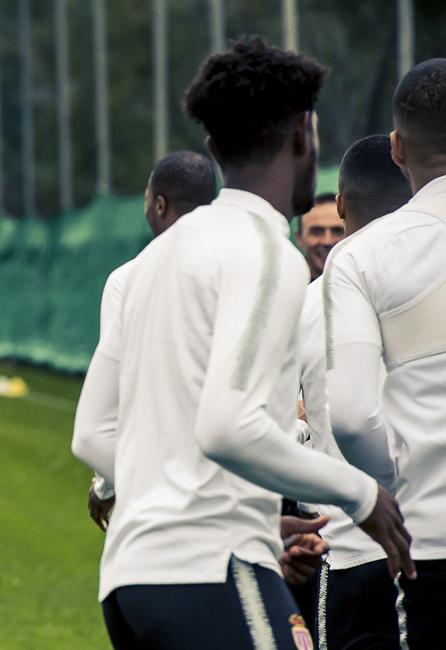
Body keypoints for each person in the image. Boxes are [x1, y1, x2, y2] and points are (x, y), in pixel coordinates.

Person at [71, 36, 413, 648]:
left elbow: (92, 434)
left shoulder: (147, 264)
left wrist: (248, 515)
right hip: (211, 572)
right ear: (304, 136)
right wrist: (363, 494)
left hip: (129, 582)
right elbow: (229, 427)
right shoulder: (266, 251)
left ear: (213, 149)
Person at [324, 59, 446, 648]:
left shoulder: (360, 256)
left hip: (431, 539)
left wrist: (394, 492)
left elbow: (351, 416)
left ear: (396, 147)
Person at [292, 134, 411, 650]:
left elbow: (343, 420)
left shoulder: (309, 301)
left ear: (341, 205)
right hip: (430, 545)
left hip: (352, 550)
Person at [86, 150, 218, 531]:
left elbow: (113, 408)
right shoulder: (244, 272)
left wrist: (106, 485)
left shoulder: (126, 282)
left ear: (159, 205)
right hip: (232, 492)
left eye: (146, 198)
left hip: (156, 494)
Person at [295, 193, 344, 281]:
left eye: (337, 231)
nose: (327, 241)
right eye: (317, 232)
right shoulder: (285, 285)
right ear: (299, 238)